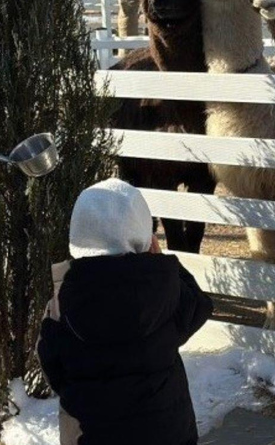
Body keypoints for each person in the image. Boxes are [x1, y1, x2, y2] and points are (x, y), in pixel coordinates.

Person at [37, 178, 213, 445]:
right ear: (145, 236)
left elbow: (51, 363)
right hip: (167, 434)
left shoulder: (64, 299)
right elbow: (199, 306)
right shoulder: (164, 290)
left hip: (93, 434)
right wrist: (165, 265)